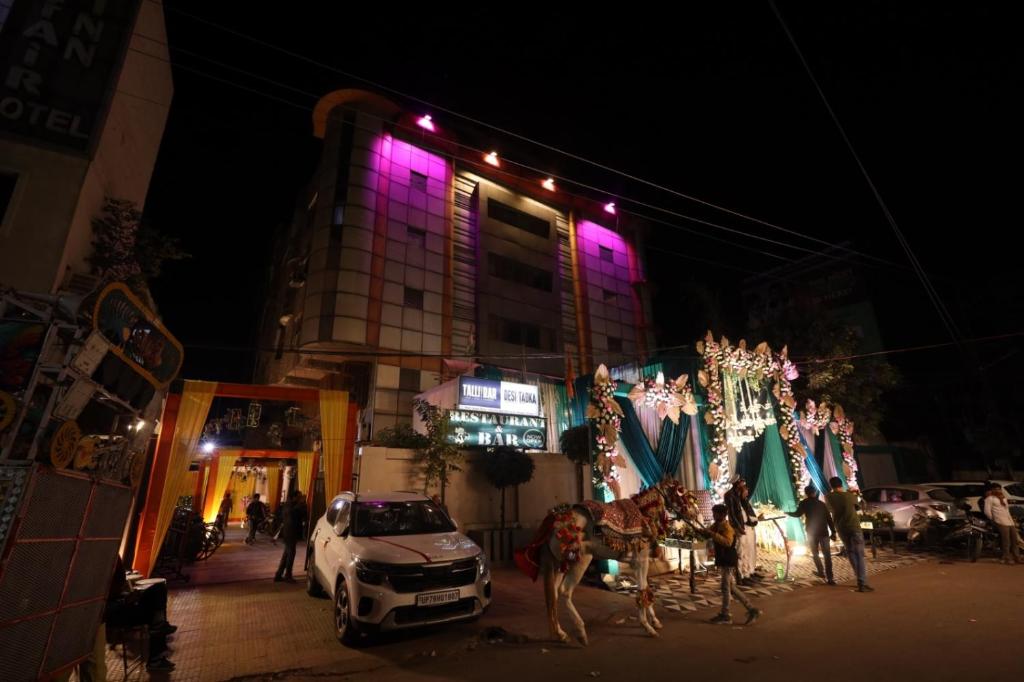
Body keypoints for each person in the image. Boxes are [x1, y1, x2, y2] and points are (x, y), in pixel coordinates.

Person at [104, 556, 177, 672]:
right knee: (155, 613)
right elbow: (105, 607)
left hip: (121, 603)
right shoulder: (97, 568)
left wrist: (127, 596)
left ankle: (159, 625)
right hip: (113, 614)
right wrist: (124, 600)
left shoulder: (112, 559)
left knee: (159, 589)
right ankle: (156, 657)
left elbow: (117, 590)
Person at [703, 503, 762, 625]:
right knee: (731, 588)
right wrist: (702, 532)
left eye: (715, 514)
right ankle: (751, 609)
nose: (713, 516)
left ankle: (725, 615)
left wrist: (713, 534)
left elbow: (728, 542)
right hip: (723, 559)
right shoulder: (717, 525)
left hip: (728, 560)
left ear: (721, 515)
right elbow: (709, 533)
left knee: (725, 588)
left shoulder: (727, 527)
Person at [825, 476, 873, 592]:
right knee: (859, 554)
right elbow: (858, 507)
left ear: (831, 485)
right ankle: (862, 582)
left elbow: (830, 509)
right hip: (853, 526)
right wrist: (855, 494)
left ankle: (859, 579)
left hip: (841, 527)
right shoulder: (849, 495)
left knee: (851, 552)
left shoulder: (828, 497)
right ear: (841, 484)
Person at [788, 484, 837, 584]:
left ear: (806, 493)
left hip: (812, 532)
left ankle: (821, 571)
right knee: (827, 555)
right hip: (823, 532)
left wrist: (787, 513)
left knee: (815, 553)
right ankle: (830, 578)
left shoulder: (804, 503)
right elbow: (829, 519)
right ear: (815, 493)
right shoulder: (821, 504)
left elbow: (797, 514)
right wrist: (833, 532)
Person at [724, 475, 760, 584]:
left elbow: (745, 509)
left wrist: (744, 497)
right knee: (740, 552)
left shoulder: (738, 494)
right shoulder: (729, 495)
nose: (743, 485)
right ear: (737, 484)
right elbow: (732, 513)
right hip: (738, 527)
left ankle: (747, 574)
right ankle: (740, 577)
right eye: (741, 483)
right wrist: (738, 527)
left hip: (744, 525)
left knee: (746, 551)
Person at [983, 483, 1021, 564]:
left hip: (1009, 521)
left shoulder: (1003, 498)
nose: (998, 490)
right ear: (992, 490)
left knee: (1014, 540)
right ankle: (1006, 557)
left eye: (999, 489)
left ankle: (1017, 557)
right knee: (1006, 541)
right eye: (995, 489)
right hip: (1000, 521)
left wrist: (1012, 521)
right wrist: (993, 519)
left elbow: (1007, 511)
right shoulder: (989, 498)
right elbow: (987, 511)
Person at [275, 490, 308, 582]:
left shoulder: (287, 505)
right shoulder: (294, 507)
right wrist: (302, 505)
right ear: (295, 497)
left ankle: (279, 574)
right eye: (299, 496)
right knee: (291, 554)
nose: (300, 498)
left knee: (287, 553)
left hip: (287, 532)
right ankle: (288, 575)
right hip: (291, 532)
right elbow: (297, 516)